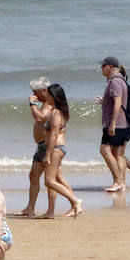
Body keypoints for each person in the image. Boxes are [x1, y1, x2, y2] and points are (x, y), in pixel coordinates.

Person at [39, 83, 81, 218]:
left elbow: (54, 135)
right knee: (56, 178)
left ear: (54, 96)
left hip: (56, 149)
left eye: (49, 94)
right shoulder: (58, 111)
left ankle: (75, 201)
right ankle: (50, 211)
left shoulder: (56, 113)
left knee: (49, 181)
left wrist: (47, 154)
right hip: (56, 148)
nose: (46, 96)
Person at [14, 77, 53, 217]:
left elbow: (40, 118)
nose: (33, 94)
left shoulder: (49, 104)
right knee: (33, 176)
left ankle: (72, 203)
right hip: (41, 146)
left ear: (44, 90)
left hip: (48, 147)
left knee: (52, 181)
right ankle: (30, 208)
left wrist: (32, 103)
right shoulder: (43, 103)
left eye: (35, 92)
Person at [97, 57, 130, 193]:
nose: (101, 68)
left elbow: (118, 103)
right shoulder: (120, 80)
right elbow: (116, 102)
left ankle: (118, 181)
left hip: (116, 123)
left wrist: (112, 124)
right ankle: (120, 183)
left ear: (110, 66)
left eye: (103, 66)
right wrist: (104, 102)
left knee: (104, 150)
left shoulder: (115, 82)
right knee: (117, 153)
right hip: (122, 123)